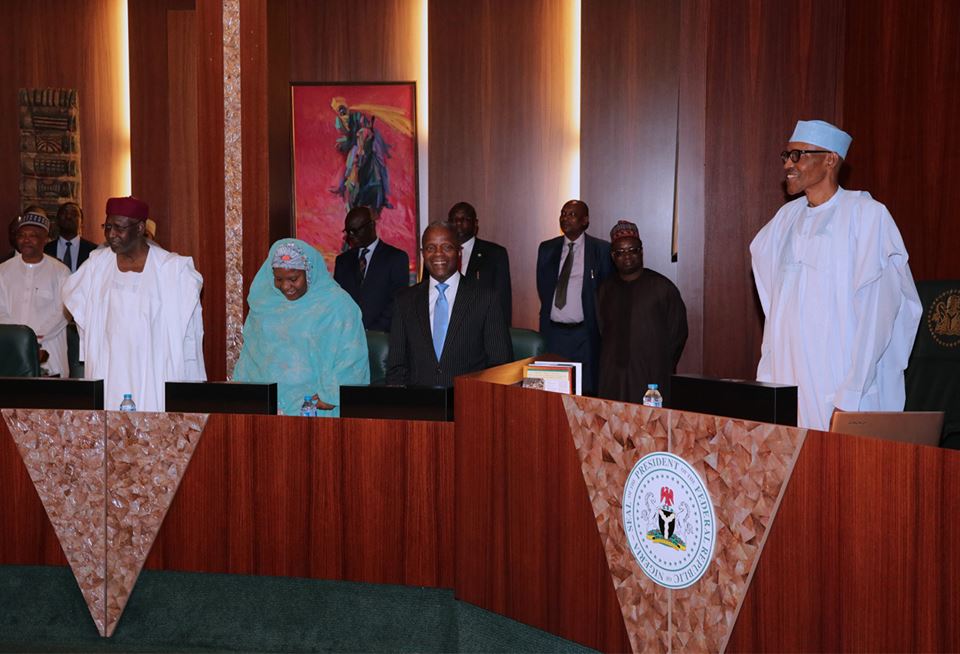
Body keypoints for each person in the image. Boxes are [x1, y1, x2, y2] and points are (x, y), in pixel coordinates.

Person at [750, 120, 922, 430]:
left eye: (798, 155)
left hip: (841, 384)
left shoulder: (867, 217)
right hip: (789, 375)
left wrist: (851, 394)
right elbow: (773, 300)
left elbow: (877, 316)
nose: (789, 164)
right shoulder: (786, 219)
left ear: (830, 159)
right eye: (786, 156)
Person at [62, 196, 206, 411]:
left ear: (140, 228)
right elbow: (74, 303)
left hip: (154, 369)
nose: (111, 234)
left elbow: (188, 333)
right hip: (110, 367)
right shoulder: (97, 266)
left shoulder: (172, 270)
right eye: (108, 227)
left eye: (119, 228)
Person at [235, 238, 369, 416]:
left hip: (315, 408)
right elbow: (250, 354)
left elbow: (352, 356)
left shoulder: (337, 305)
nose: (285, 286)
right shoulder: (264, 303)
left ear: (309, 272)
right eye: (278, 279)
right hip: (267, 408)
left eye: (293, 279)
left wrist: (331, 395)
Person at [387, 222, 512, 386]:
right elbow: (396, 368)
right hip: (418, 407)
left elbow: (500, 366)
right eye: (431, 248)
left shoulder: (486, 299)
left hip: (469, 404)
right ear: (423, 253)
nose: (439, 254)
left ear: (459, 252)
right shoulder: (404, 301)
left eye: (447, 247)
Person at [597, 221, 687, 405]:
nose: (627, 256)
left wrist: (658, 362)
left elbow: (678, 333)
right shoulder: (604, 290)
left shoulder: (663, 287)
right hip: (613, 377)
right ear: (613, 256)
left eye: (632, 250)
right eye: (620, 252)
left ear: (641, 251)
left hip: (651, 378)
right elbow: (601, 330)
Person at [536, 199, 614, 395]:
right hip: (553, 333)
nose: (565, 218)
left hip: (585, 335)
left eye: (571, 214)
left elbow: (607, 293)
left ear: (585, 220)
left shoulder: (601, 250)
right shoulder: (546, 248)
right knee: (551, 393)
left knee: (585, 391)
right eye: (563, 213)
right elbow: (543, 288)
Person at [0, 210, 70, 376]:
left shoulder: (60, 271)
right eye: (22, 235)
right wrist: (19, 339)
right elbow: (1, 309)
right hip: (12, 350)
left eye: (33, 235)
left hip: (50, 349)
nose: (26, 240)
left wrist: (34, 340)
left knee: (52, 399)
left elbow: (63, 311)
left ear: (45, 239)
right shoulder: (3, 270)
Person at [333, 206, 409, 331]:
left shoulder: (396, 258)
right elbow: (338, 301)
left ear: (371, 226)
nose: (351, 236)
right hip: (350, 336)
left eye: (355, 230)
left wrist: (372, 330)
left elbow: (398, 302)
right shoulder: (342, 261)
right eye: (348, 231)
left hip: (384, 337)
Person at [447, 201, 513, 325]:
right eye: (453, 219)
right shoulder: (437, 255)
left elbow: (502, 300)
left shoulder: (495, 254)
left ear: (475, 224)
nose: (458, 222)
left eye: (464, 218)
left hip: (480, 328)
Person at [44, 202, 97, 273]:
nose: (68, 216)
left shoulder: (93, 251)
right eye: (64, 213)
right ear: (57, 220)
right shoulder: (45, 250)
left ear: (81, 222)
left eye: (74, 214)